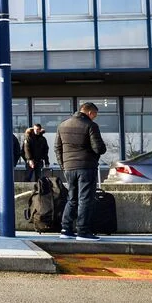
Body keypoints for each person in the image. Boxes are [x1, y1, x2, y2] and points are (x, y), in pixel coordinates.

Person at [56, 102, 107, 241]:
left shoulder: (62, 125)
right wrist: (102, 148)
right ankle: (83, 231)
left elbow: (57, 148)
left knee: (71, 198)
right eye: (95, 115)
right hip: (86, 167)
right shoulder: (90, 125)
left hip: (69, 168)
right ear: (90, 113)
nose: (94, 117)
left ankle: (65, 229)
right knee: (85, 199)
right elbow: (98, 148)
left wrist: (63, 166)